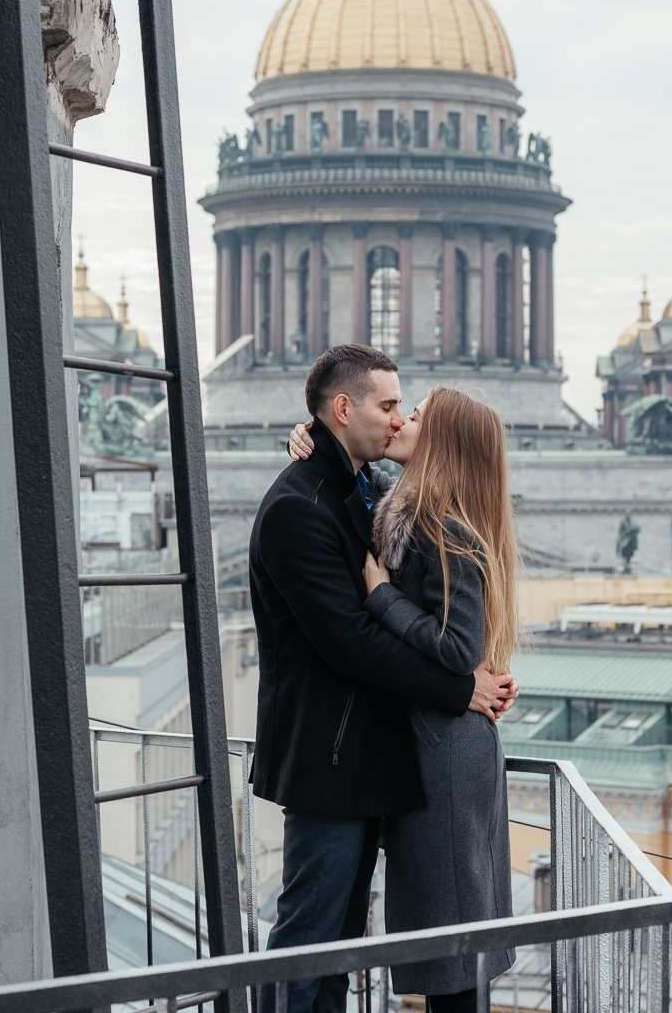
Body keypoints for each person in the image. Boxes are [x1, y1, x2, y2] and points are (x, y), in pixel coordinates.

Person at [250, 345, 516, 1013]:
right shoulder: (307, 503)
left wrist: (315, 434)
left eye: (408, 411)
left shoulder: (368, 492)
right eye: (390, 406)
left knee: (352, 943)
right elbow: (350, 642)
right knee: (315, 943)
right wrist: (461, 689)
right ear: (346, 409)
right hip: (333, 764)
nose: (397, 421)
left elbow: (446, 629)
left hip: (381, 762)